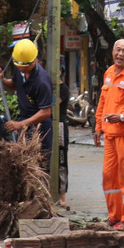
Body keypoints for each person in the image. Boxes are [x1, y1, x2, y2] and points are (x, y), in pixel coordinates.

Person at [93, 39, 124, 230]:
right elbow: (102, 101)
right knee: (109, 176)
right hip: (109, 135)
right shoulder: (109, 72)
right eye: (117, 50)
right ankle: (114, 215)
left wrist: (121, 116)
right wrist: (98, 127)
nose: (120, 54)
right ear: (112, 51)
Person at [0, 39, 53, 170]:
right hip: (24, 120)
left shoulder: (42, 81)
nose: (22, 69)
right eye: (20, 66)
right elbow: (13, 85)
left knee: (38, 165)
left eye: (25, 67)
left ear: (34, 60)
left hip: (40, 127)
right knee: (22, 163)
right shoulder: (19, 69)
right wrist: (2, 80)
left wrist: (20, 124)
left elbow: (46, 112)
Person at [58, 65, 71, 210]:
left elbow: (54, 104)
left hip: (60, 126)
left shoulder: (63, 89)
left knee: (61, 161)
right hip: (49, 125)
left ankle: (62, 195)